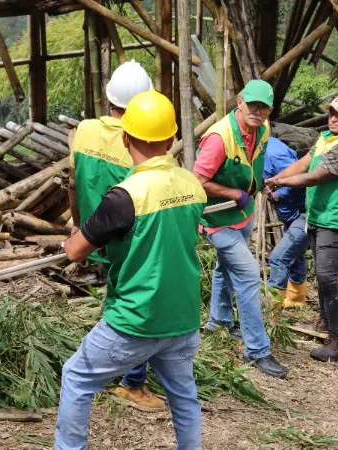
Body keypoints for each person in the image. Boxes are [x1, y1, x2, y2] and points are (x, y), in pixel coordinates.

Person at [55, 90, 207, 450]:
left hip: (136, 321)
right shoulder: (192, 185)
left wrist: (72, 239)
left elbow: (76, 252)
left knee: (76, 377)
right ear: (171, 139)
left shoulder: (125, 196)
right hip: (183, 319)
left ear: (125, 138)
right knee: (184, 396)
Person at [67, 60, 162, 411]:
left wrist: (79, 226)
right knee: (134, 303)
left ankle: (120, 373)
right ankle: (131, 382)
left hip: (96, 234)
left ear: (109, 99)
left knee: (118, 296)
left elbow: (73, 184)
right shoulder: (139, 145)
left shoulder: (86, 130)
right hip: (131, 238)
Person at [193, 79, 288, 379]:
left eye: (264, 107)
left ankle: (218, 321)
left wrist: (259, 185)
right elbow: (197, 181)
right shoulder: (219, 138)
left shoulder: (263, 130)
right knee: (248, 276)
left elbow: (255, 162)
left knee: (225, 269)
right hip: (217, 218)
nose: (257, 112)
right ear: (240, 102)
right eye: (253, 105)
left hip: (243, 215)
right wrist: (234, 193)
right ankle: (257, 350)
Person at [265, 95, 338, 363]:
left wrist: (282, 184)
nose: (333, 118)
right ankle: (323, 324)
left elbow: (314, 177)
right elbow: (305, 163)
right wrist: (278, 177)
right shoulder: (325, 138)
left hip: (335, 220)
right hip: (318, 217)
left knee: (327, 280)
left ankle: (335, 343)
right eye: (331, 113)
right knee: (322, 277)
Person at [264, 137, 308, 308]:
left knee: (278, 257)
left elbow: (299, 180)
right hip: (290, 214)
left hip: (303, 213)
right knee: (294, 255)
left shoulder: (276, 154)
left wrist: (276, 195)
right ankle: (296, 300)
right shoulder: (260, 150)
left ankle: (271, 308)